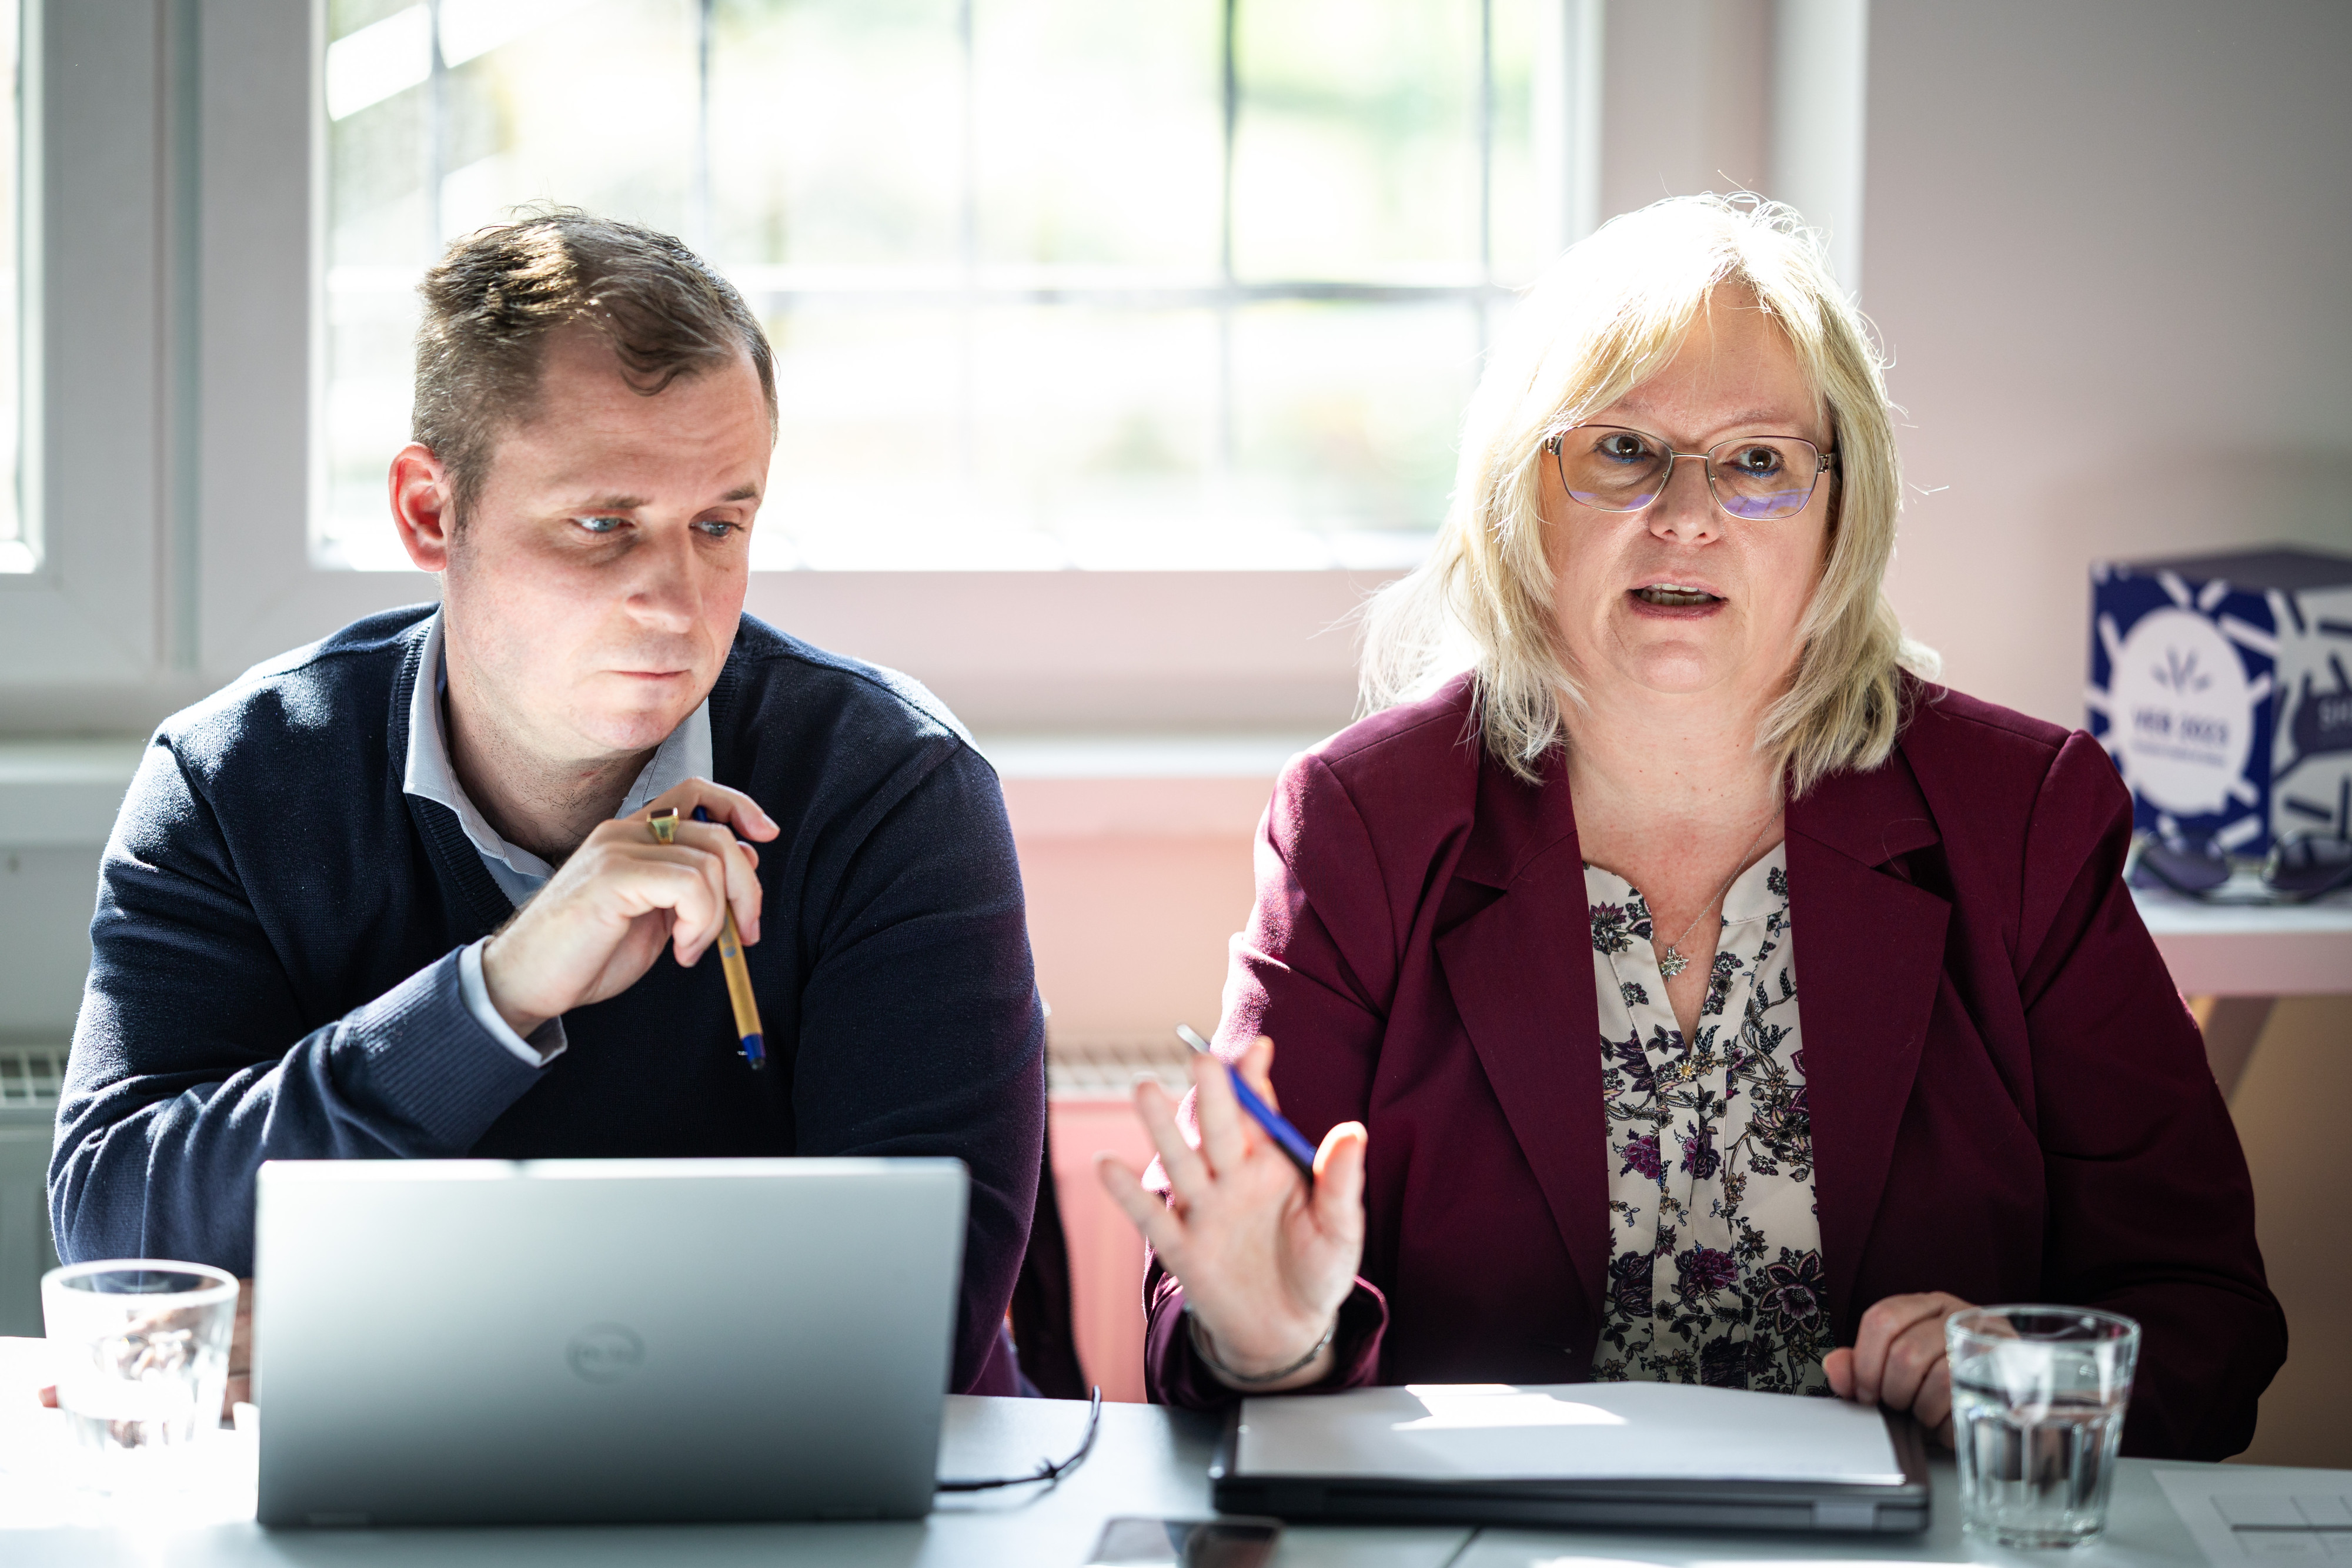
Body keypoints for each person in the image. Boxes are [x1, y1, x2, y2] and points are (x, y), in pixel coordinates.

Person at [1098, 195, 2284, 1458]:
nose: (1686, 514)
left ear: (1841, 512)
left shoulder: (2020, 816)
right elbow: (1215, 1298)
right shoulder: (1367, 822)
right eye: (1623, 450)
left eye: (1758, 462)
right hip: (1492, 1539)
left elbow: (2203, 1316)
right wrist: (1274, 1340)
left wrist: (2015, 1375)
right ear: (1521, 493)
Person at [50, 210, 1045, 1397]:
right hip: (400, 1484)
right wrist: (497, 993)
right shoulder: (236, 779)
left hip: (804, 1488)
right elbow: (120, 1243)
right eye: (602, 525)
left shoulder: (892, 789)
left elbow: (914, 1317)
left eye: (718, 524)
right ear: (431, 512)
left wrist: (353, 1334)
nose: (676, 602)